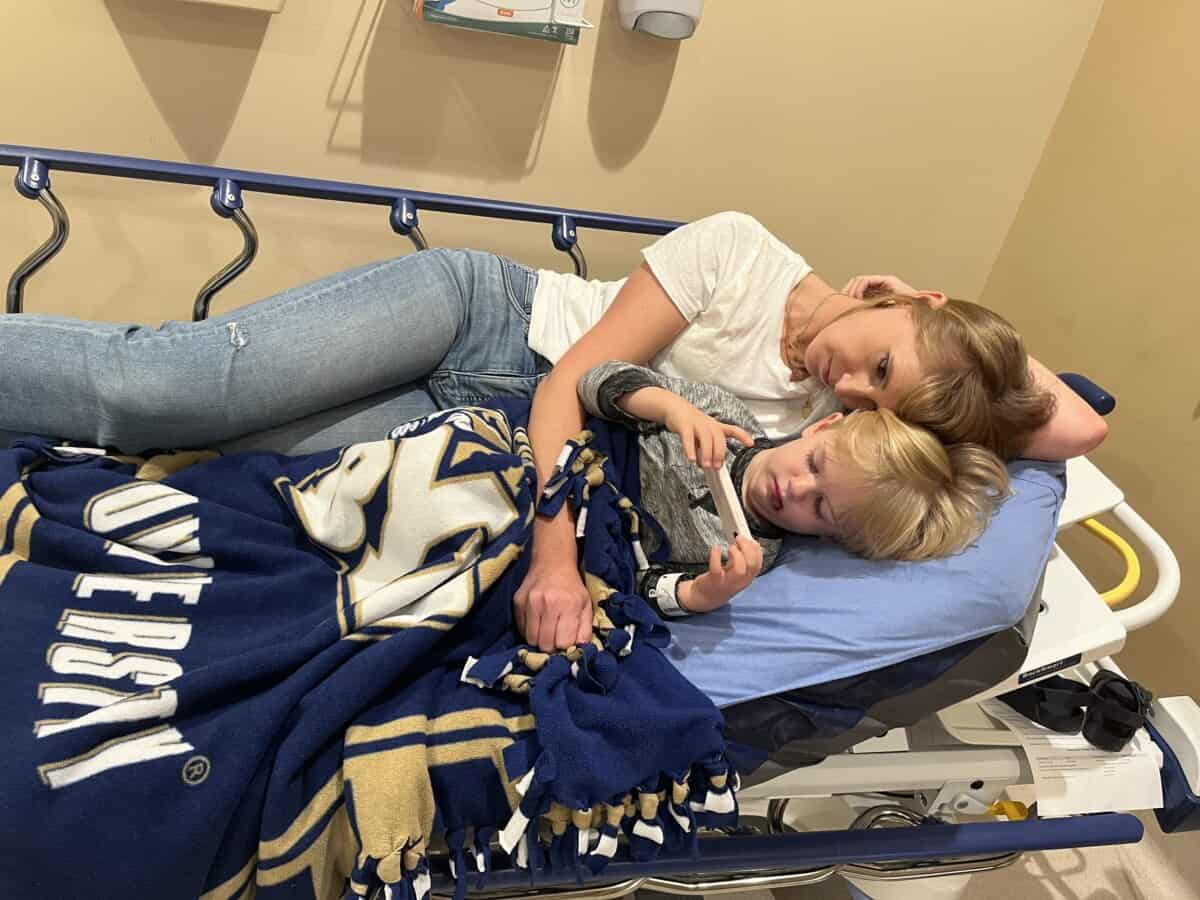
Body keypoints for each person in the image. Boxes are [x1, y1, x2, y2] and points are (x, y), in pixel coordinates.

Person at [0, 211, 1107, 647]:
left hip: (465, 430)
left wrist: (928, 329)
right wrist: (557, 552)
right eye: (873, 361)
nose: (852, 388)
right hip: (482, 325)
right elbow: (572, 382)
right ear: (898, 298)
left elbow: (1074, 425)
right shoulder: (741, 251)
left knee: (235, 472)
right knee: (161, 391)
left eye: (878, 397)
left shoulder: (830, 434)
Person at [569, 360, 1009, 624]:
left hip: (583, 540)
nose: (795, 488)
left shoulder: (750, 556)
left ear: (827, 538)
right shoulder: (724, 413)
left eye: (820, 507)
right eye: (814, 463)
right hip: (564, 453)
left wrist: (699, 595)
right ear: (822, 427)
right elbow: (594, 380)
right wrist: (670, 409)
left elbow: (633, 586)